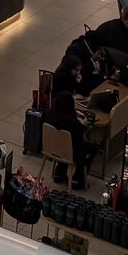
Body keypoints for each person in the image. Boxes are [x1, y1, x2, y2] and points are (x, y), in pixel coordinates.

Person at [46, 52, 93, 188]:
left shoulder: (50, 115)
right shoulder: (73, 124)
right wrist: (84, 124)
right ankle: (79, 178)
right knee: (89, 148)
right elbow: (80, 133)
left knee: (65, 144)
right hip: (69, 150)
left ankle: (59, 172)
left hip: (54, 147)